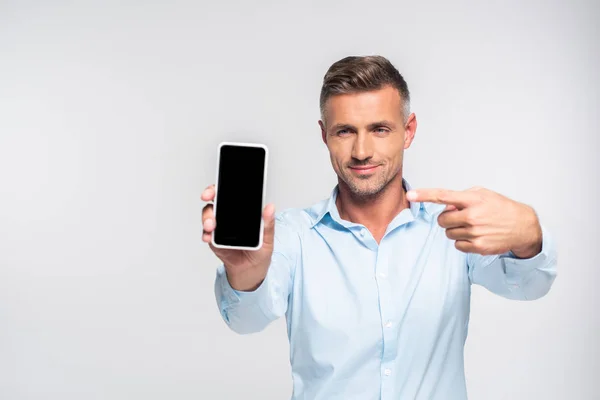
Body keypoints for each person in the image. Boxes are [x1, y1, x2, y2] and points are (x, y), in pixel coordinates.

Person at [200, 55, 557, 400]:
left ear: (408, 131)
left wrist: (529, 233)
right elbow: (244, 320)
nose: (361, 151)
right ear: (324, 136)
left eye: (379, 129)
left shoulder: (449, 227)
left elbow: (530, 284)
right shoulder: (293, 235)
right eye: (345, 131)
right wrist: (243, 271)